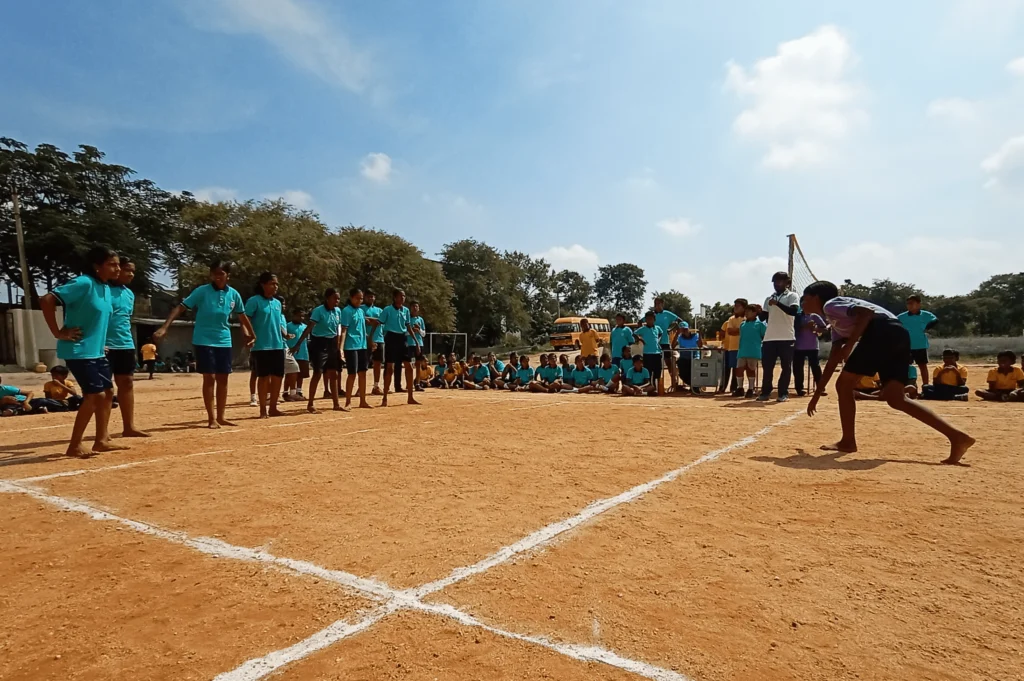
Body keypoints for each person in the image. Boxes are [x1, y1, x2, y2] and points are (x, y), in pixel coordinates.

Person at [803, 280, 975, 464]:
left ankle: (847, 441)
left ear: (816, 297)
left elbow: (866, 313)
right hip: (898, 333)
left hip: (881, 331)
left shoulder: (832, 304)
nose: (802, 304)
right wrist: (816, 394)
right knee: (895, 398)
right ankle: (957, 437)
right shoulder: (836, 321)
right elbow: (834, 357)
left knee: (844, 384)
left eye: (804, 299)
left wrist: (851, 345)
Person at [38, 246, 126, 455]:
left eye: (118, 265)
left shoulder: (105, 287)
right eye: (112, 264)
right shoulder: (84, 283)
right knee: (94, 395)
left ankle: (102, 440)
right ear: (97, 267)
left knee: (107, 393)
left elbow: (96, 320)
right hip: (79, 350)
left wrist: (102, 342)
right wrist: (58, 332)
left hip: (96, 351)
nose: (117, 269)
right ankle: (75, 445)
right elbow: (46, 300)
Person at [155, 259, 253, 428]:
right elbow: (180, 307)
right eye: (215, 274)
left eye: (221, 274)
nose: (218, 277)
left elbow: (242, 316)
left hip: (224, 340)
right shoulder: (202, 292)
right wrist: (165, 327)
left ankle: (221, 416)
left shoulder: (234, 294)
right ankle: (211, 418)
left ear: (227, 276)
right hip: (204, 339)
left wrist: (251, 333)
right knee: (210, 377)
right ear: (211, 275)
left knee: (223, 378)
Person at [105, 257, 149, 437]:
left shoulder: (129, 294)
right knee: (105, 389)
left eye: (133, 271)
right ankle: (103, 431)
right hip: (105, 346)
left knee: (127, 383)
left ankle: (129, 427)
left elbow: (125, 320)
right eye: (126, 270)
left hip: (125, 344)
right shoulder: (103, 290)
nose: (130, 274)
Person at [245, 273, 289, 419]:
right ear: (263, 284)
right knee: (263, 378)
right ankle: (263, 409)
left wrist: (285, 335)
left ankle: (273, 408)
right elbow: (246, 320)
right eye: (272, 283)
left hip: (278, 345)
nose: (275, 286)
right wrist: (248, 336)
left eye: (276, 284)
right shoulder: (254, 301)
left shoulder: (277, 303)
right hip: (261, 346)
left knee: (278, 377)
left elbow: (277, 323)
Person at [295, 288, 344, 414]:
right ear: (327, 298)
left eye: (338, 298)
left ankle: (336, 404)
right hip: (319, 344)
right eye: (334, 298)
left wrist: (339, 348)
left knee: (334, 374)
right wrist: (298, 343)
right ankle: (310, 404)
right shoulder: (318, 311)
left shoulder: (338, 311)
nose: (337, 301)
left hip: (332, 343)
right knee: (318, 373)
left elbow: (337, 330)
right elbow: (309, 328)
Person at [758, 272, 800, 402]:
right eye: (775, 282)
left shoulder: (792, 296)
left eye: (780, 281)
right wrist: (760, 310)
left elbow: (793, 312)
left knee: (786, 366)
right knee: (767, 367)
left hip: (786, 337)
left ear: (787, 283)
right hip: (769, 338)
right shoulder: (769, 298)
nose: (777, 284)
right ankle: (765, 392)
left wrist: (777, 304)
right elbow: (763, 317)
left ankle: (783, 393)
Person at [377, 289, 420, 407]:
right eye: (400, 296)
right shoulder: (387, 310)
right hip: (391, 338)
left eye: (404, 296)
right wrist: (374, 339)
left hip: (403, 339)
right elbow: (379, 323)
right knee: (389, 368)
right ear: (394, 297)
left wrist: (416, 342)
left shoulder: (406, 311)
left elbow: (408, 327)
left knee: (409, 367)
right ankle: (385, 397)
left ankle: (410, 397)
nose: (403, 298)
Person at [337, 287, 373, 410]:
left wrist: (369, 342)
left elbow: (362, 329)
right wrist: (341, 349)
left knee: (363, 373)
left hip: (362, 345)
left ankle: (363, 400)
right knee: (352, 374)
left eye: (361, 298)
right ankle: (348, 402)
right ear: (351, 298)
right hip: (351, 346)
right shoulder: (346, 311)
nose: (359, 300)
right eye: (357, 298)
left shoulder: (361, 311)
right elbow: (344, 330)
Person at [898, 295, 938, 387]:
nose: (909, 306)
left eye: (912, 303)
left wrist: (927, 328)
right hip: (906, 345)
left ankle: (925, 385)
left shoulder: (925, 314)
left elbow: (935, 320)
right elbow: (894, 323)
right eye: (908, 304)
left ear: (919, 304)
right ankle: (907, 384)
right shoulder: (902, 316)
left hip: (920, 344)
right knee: (906, 366)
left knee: (922, 366)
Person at [793, 306, 826, 398]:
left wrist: (815, 328)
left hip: (812, 346)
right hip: (798, 346)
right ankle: (799, 389)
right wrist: (804, 326)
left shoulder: (815, 316)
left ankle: (820, 388)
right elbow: (793, 328)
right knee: (798, 368)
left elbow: (824, 329)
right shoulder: (797, 316)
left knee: (815, 367)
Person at [736, 304, 767, 398]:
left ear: (755, 313)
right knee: (739, 369)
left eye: (749, 311)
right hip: (742, 350)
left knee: (751, 370)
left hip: (753, 350)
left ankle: (751, 388)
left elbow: (764, 336)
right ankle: (740, 388)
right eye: (746, 311)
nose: (746, 313)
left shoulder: (760, 324)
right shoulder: (742, 324)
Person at [653, 297, 683, 391]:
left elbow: (680, 321)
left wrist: (672, 328)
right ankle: (656, 385)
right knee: (656, 365)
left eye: (658, 304)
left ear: (662, 304)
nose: (657, 306)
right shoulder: (652, 315)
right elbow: (641, 321)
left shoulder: (667, 314)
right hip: (655, 343)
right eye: (655, 304)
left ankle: (674, 383)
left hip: (665, 342)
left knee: (669, 363)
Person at [361, 291, 385, 396]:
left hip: (379, 339)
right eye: (369, 296)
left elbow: (382, 321)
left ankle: (376, 386)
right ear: (365, 297)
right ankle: (360, 387)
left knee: (378, 363)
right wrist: (374, 320)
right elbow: (361, 320)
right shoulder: (360, 309)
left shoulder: (379, 310)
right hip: (365, 339)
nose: (371, 298)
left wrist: (370, 320)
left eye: (372, 296)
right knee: (364, 364)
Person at [633, 311, 665, 393]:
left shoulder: (657, 328)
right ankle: (651, 387)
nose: (649, 321)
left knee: (658, 371)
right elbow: (634, 333)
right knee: (649, 371)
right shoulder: (643, 329)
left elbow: (661, 333)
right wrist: (640, 339)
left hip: (657, 353)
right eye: (647, 319)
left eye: (651, 319)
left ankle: (658, 387)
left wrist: (658, 340)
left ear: (654, 319)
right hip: (647, 354)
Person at [718, 299, 745, 394]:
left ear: (744, 307)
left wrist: (737, 330)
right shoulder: (731, 319)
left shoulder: (747, 319)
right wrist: (740, 330)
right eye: (735, 306)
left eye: (738, 306)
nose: (735, 308)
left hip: (741, 348)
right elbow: (729, 331)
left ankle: (735, 388)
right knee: (726, 369)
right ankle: (722, 388)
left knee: (737, 370)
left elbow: (744, 331)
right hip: (729, 347)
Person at [284, 308, 310, 401]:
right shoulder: (288, 326)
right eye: (299, 315)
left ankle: (298, 391)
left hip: (303, 353)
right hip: (291, 354)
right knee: (290, 373)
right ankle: (286, 392)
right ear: (294, 315)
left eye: (303, 316)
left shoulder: (305, 327)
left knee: (301, 374)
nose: (301, 318)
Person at [673, 325, 702, 394]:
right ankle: (693, 385)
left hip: (694, 357)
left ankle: (695, 386)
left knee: (694, 370)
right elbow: (673, 346)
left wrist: (700, 335)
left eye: (686, 329)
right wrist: (677, 334)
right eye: (683, 330)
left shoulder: (696, 336)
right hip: (684, 358)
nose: (685, 331)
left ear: (689, 329)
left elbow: (700, 345)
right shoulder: (680, 337)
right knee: (682, 373)